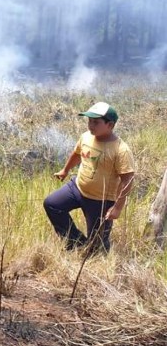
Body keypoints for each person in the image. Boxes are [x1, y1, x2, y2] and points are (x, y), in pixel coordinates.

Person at [43, 101, 135, 254]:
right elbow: (77, 153)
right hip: (77, 188)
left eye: (96, 122)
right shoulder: (86, 137)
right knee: (52, 204)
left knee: (97, 247)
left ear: (110, 125)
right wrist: (65, 170)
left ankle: (95, 252)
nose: (90, 125)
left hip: (100, 200)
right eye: (89, 121)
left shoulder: (121, 150)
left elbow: (127, 179)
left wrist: (117, 207)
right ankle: (76, 243)